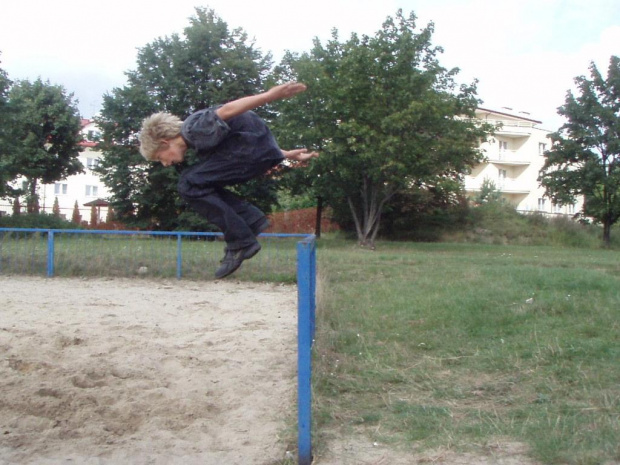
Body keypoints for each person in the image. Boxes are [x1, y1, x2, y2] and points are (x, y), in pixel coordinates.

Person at [138, 82, 318, 279]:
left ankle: (241, 241)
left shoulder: (193, 129)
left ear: (165, 142)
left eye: (159, 157)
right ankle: (251, 221)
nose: (164, 163)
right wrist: (286, 154)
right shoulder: (199, 138)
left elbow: (228, 110)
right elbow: (244, 139)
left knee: (188, 184)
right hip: (258, 153)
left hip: (250, 153)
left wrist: (270, 95)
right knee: (200, 184)